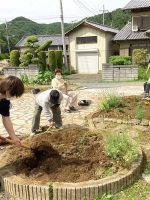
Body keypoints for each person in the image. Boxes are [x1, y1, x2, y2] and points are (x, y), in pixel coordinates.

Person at [0, 75, 24, 146]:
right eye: (14, 94)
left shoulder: (4, 102)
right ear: (8, 91)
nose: (14, 97)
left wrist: (14, 138)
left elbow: (6, 119)